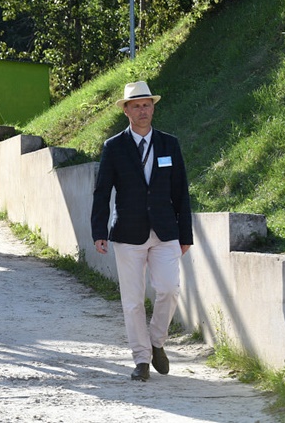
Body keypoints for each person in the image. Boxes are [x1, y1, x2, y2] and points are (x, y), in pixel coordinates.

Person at [91, 81, 193, 382]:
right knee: (133, 300)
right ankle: (141, 360)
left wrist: (185, 235)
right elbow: (102, 192)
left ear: (153, 107)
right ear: (126, 111)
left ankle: (157, 341)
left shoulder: (169, 144)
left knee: (170, 289)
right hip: (128, 233)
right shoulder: (114, 147)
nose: (143, 110)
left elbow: (181, 193)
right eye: (136, 105)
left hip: (165, 231)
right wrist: (99, 231)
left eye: (147, 104)